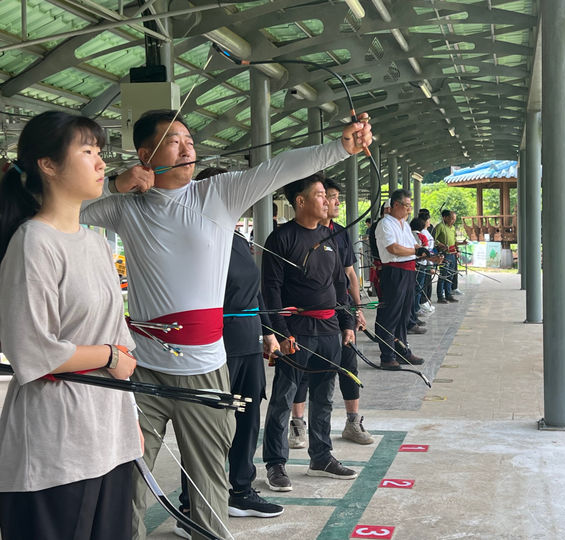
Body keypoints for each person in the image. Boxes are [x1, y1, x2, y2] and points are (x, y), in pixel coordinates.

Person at [80, 109, 372, 539]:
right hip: (142, 368)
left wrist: (338, 148)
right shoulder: (126, 207)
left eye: (191, 141)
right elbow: (57, 204)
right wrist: (114, 183)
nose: (188, 148)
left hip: (205, 368)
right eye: (175, 141)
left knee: (209, 481)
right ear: (146, 154)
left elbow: (277, 168)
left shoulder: (216, 193)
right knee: (127, 475)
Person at [0, 111, 141, 540]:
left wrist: (128, 415)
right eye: (87, 151)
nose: (101, 163)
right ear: (48, 164)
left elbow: (117, 335)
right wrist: (111, 356)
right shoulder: (33, 242)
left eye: (100, 152)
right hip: (56, 445)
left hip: (111, 436)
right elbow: (31, 350)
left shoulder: (97, 243)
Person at [172, 168, 283, 539]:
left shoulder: (236, 235)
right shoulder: (193, 233)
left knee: (247, 417)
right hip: (212, 345)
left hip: (247, 340)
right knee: (207, 426)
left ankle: (239, 489)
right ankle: (192, 506)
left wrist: (268, 331)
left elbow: (255, 290)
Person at [262, 174, 358, 492]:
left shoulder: (330, 236)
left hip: (330, 328)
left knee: (324, 397)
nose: (327, 200)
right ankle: (276, 464)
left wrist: (346, 324)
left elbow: (339, 285)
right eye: (319, 195)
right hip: (297, 332)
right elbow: (271, 290)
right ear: (300, 201)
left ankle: (321, 457)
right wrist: (280, 332)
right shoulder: (282, 238)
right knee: (284, 397)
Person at [289, 178, 373, 449]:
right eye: (327, 196)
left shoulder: (339, 232)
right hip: (306, 322)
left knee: (347, 365)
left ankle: (352, 422)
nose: (333, 202)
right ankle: (298, 425)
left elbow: (347, 276)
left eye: (334, 197)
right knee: (302, 371)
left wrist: (355, 310)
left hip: (338, 315)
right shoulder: (292, 236)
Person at [374, 189, 427, 369]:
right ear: (395, 205)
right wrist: (416, 251)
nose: (409, 210)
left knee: (405, 315)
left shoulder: (403, 224)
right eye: (406, 206)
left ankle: (402, 351)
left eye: (410, 206)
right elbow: (394, 249)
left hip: (408, 270)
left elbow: (413, 245)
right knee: (391, 316)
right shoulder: (385, 223)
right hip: (394, 272)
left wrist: (428, 254)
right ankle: (387, 356)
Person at [434, 210, 461, 303]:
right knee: (443, 275)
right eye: (451, 219)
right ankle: (440, 296)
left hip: (452, 254)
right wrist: (440, 244)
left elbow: (454, 240)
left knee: (450, 275)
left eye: (454, 219)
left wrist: (458, 249)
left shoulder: (453, 228)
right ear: (445, 217)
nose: (453, 221)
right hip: (444, 254)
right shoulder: (440, 227)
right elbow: (432, 239)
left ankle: (448, 294)